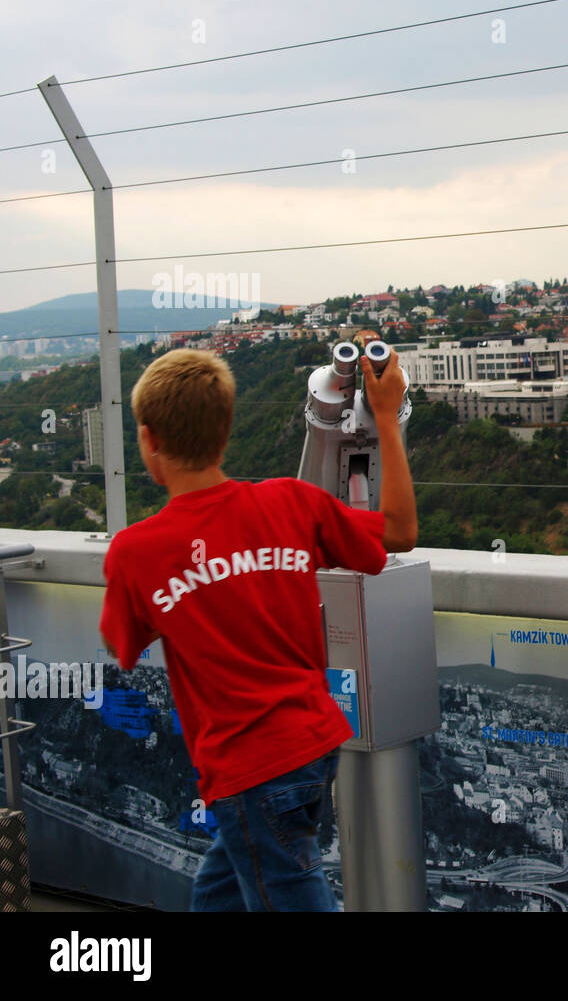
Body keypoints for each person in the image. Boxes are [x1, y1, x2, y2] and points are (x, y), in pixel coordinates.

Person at [98, 346, 417, 911]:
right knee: (218, 897)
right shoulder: (291, 503)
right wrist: (387, 419)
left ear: (147, 440)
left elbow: (122, 646)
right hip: (315, 747)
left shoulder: (135, 552)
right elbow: (398, 531)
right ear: (226, 429)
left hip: (249, 769)